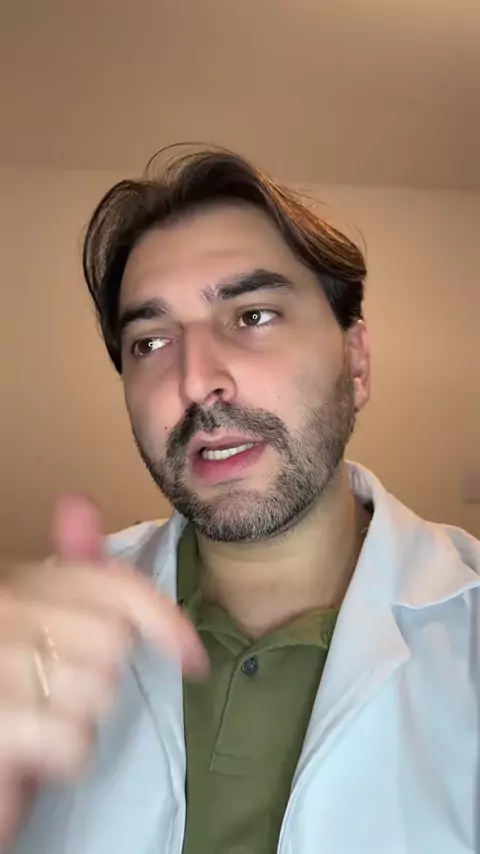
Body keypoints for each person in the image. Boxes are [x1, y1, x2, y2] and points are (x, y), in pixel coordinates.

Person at [2, 147, 480, 854]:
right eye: (150, 342)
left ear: (356, 362)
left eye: (253, 315)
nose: (196, 382)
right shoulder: (34, 643)